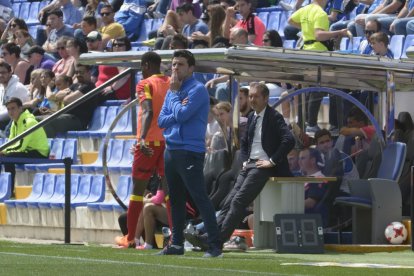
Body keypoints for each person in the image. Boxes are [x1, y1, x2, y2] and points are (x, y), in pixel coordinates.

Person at [185, 82, 295, 253]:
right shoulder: (251, 117)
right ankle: (211, 237)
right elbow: (244, 144)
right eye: (250, 96)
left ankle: (217, 241)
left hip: (263, 166)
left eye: (256, 96)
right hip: (250, 165)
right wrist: (245, 160)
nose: (252, 100)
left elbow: (289, 140)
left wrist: (272, 161)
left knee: (238, 201)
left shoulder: (274, 117)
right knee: (228, 202)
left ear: (265, 98)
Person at [157, 49, 222, 257]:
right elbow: (161, 120)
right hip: (171, 149)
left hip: (189, 151)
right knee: (175, 199)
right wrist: (176, 107)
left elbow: (183, 116)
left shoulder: (197, 89)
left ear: (191, 68)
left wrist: (176, 100)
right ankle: (176, 244)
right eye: (174, 64)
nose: (175, 68)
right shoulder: (172, 90)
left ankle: (215, 246)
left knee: (199, 197)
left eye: (181, 64)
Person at [114, 52, 171, 248]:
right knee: (169, 191)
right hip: (168, 142)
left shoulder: (145, 84)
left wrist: (142, 138)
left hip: (149, 143)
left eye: (141, 66)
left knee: (137, 192)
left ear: (146, 64)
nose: (141, 70)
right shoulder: (171, 82)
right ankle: (175, 237)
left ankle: (130, 238)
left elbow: (148, 110)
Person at [0, 97, 49, 197]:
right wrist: (3, 151)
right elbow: (11, 143)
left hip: (39, 153)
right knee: (3, 157)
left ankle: (9, 192)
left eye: (13, 108)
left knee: (8, 158)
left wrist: (4, 152)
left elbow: (21, 146)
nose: (10, 112)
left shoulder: (28, 122)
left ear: (20, 108)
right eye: (8, 109)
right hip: (28, 150)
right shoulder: (15, 122)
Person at [42, 63, 98, 137]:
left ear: (89, 72)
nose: (78, 74)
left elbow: (67, 100)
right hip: (66, 116)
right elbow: (57, 96)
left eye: (81, 72)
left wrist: (67, 94)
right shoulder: (75, 85)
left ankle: (50, 145)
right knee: (36, 119)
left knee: (45, 121)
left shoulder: (89, 86)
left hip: (78, 120)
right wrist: (71, 93)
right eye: (76, 72)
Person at [298, 147, 329, 224]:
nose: (299, 162)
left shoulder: (319, 178)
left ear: (313, 160)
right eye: (299, 158)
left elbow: (310, 203)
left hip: (309, 221)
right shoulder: (305, 178)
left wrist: (289, 205)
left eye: (302, 158)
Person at [0, 60, 29, 131]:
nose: (0, 75)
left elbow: (11, 111)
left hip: (16, 122)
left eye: (3, 73)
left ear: (10, 72)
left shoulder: (17, 88)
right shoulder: (2, 88)